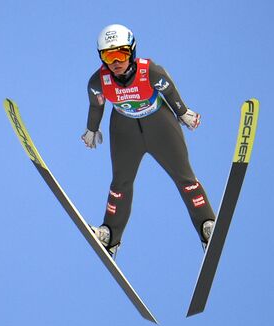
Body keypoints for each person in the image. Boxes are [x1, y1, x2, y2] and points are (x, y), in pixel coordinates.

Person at [81, 24, 216, 257]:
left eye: (121, 53)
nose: (115, 61)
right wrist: (91, 129)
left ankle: (207, 225)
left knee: (184, 176)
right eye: (108, 56)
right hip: (124, 130)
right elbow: (96, 105)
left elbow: (170, 90)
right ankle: (110, 235)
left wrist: (183, 112)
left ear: (132, 51)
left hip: (159, 124)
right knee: (120, 183)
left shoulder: (149, 71)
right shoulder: (98, 81)